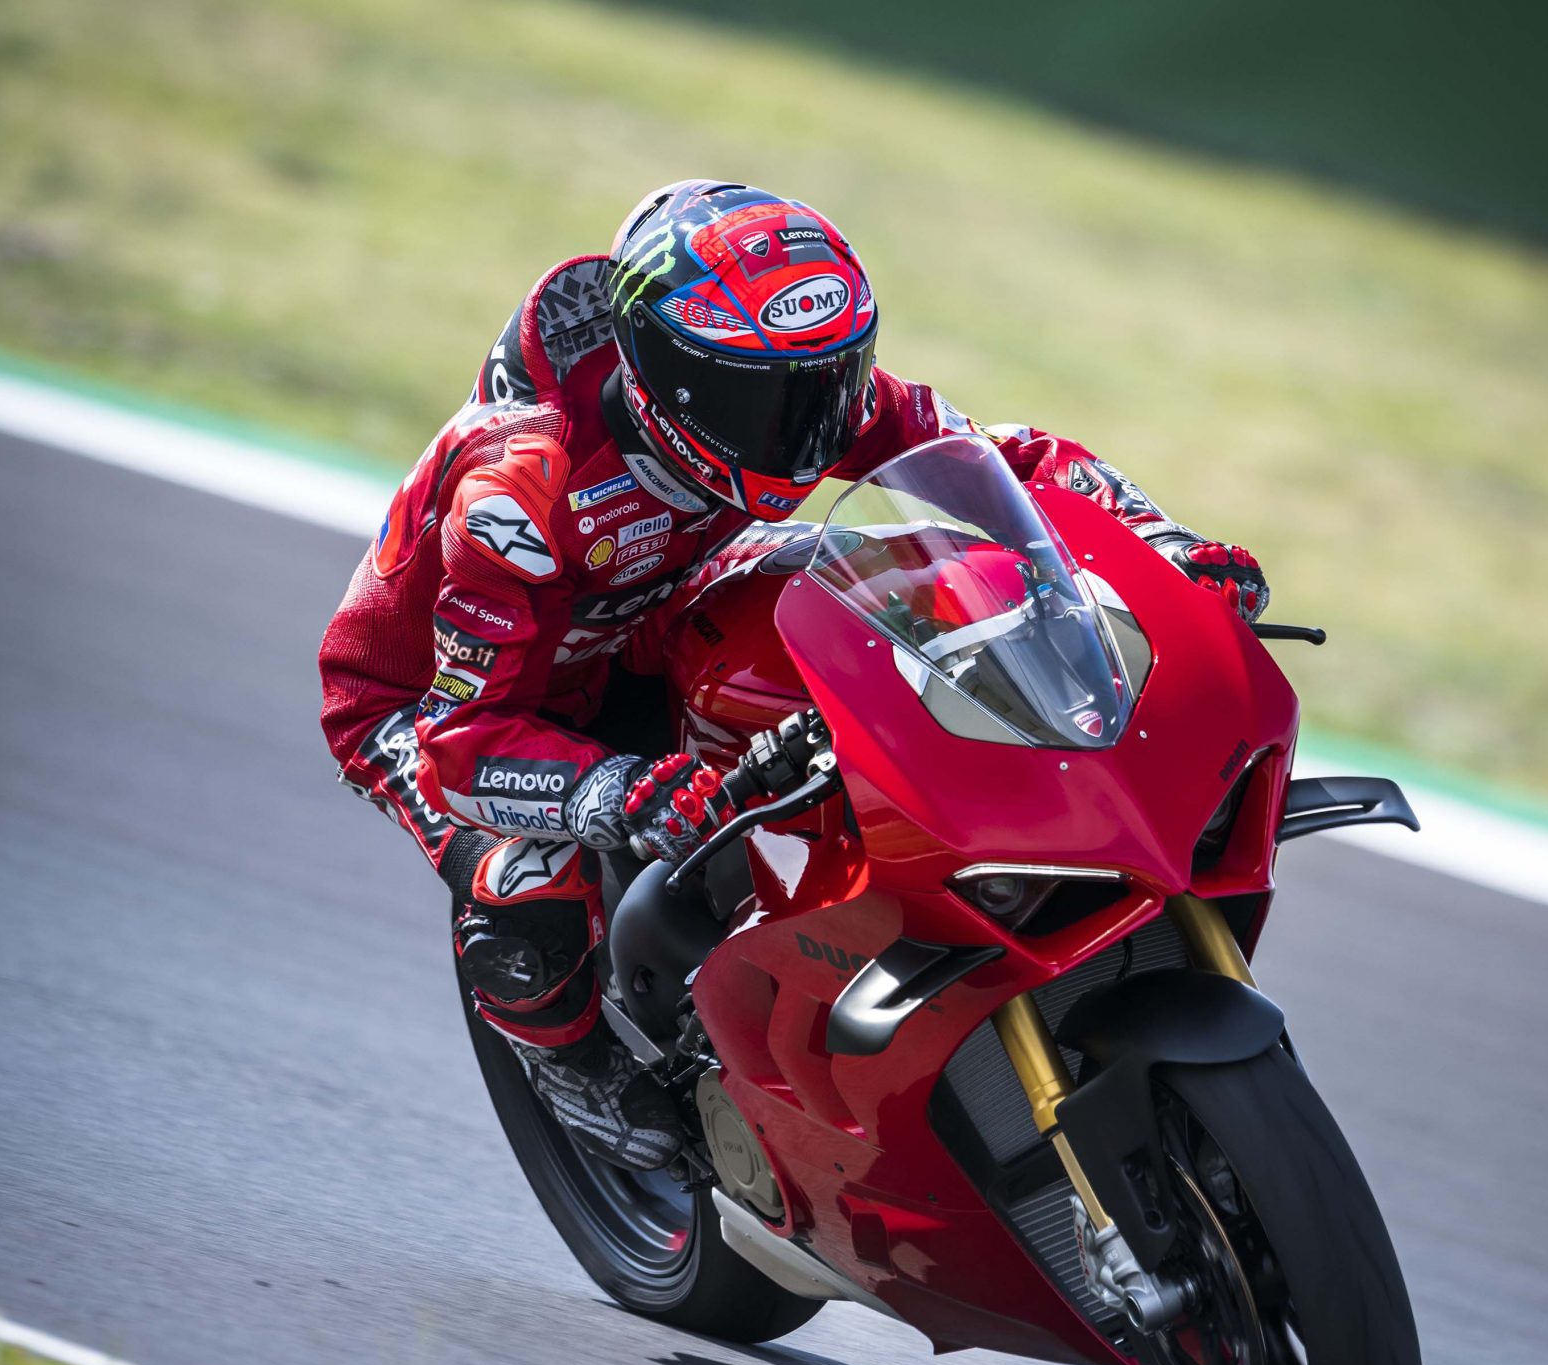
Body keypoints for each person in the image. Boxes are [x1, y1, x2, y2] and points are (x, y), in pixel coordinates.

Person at [319, 179, 1268, 1167]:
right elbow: (462, 744)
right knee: (523, 874)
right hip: (427, 704)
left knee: (901, 579)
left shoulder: (801, 391)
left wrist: (1161, 548)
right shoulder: (521, 491)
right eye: (769, 399)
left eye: (831, 379)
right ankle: (567, 1057)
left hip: (649, 610)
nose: (814, 425)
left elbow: (1006, 463)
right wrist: (615, 791)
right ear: (669, 380)